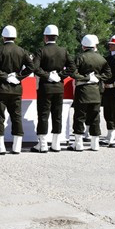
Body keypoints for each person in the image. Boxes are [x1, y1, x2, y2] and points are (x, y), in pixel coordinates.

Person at [0, 26, 34, 155]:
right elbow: (31, 67)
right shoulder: (21, 51)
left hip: (1, 88)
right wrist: (18, 77)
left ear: (3, 37)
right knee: (16, 117)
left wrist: (5, 76)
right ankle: (16, 147)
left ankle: (0, 147)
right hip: (16, 89)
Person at [31, 24, 73, 153]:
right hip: (59, 87)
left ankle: (42, 144)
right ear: (57, 37)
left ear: (45, 37)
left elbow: (35, 68)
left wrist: (47, 76)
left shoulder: (41, 51)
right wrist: (60, 76)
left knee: (43, 115)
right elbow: (72, 68)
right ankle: (56, 143)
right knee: (57, 115)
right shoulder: (63, 51)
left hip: (45, 87)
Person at [69, 35, 111, 151]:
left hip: (82, 92)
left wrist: (85, 78)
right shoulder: (101, 59)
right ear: (95, 46)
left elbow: (72, 73)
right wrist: (97, 77)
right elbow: (108, 74)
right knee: (95, 117)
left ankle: (78, 144)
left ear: (83, 46)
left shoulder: (80, 57)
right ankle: (94, 144)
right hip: (96, 92)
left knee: (79, 117)